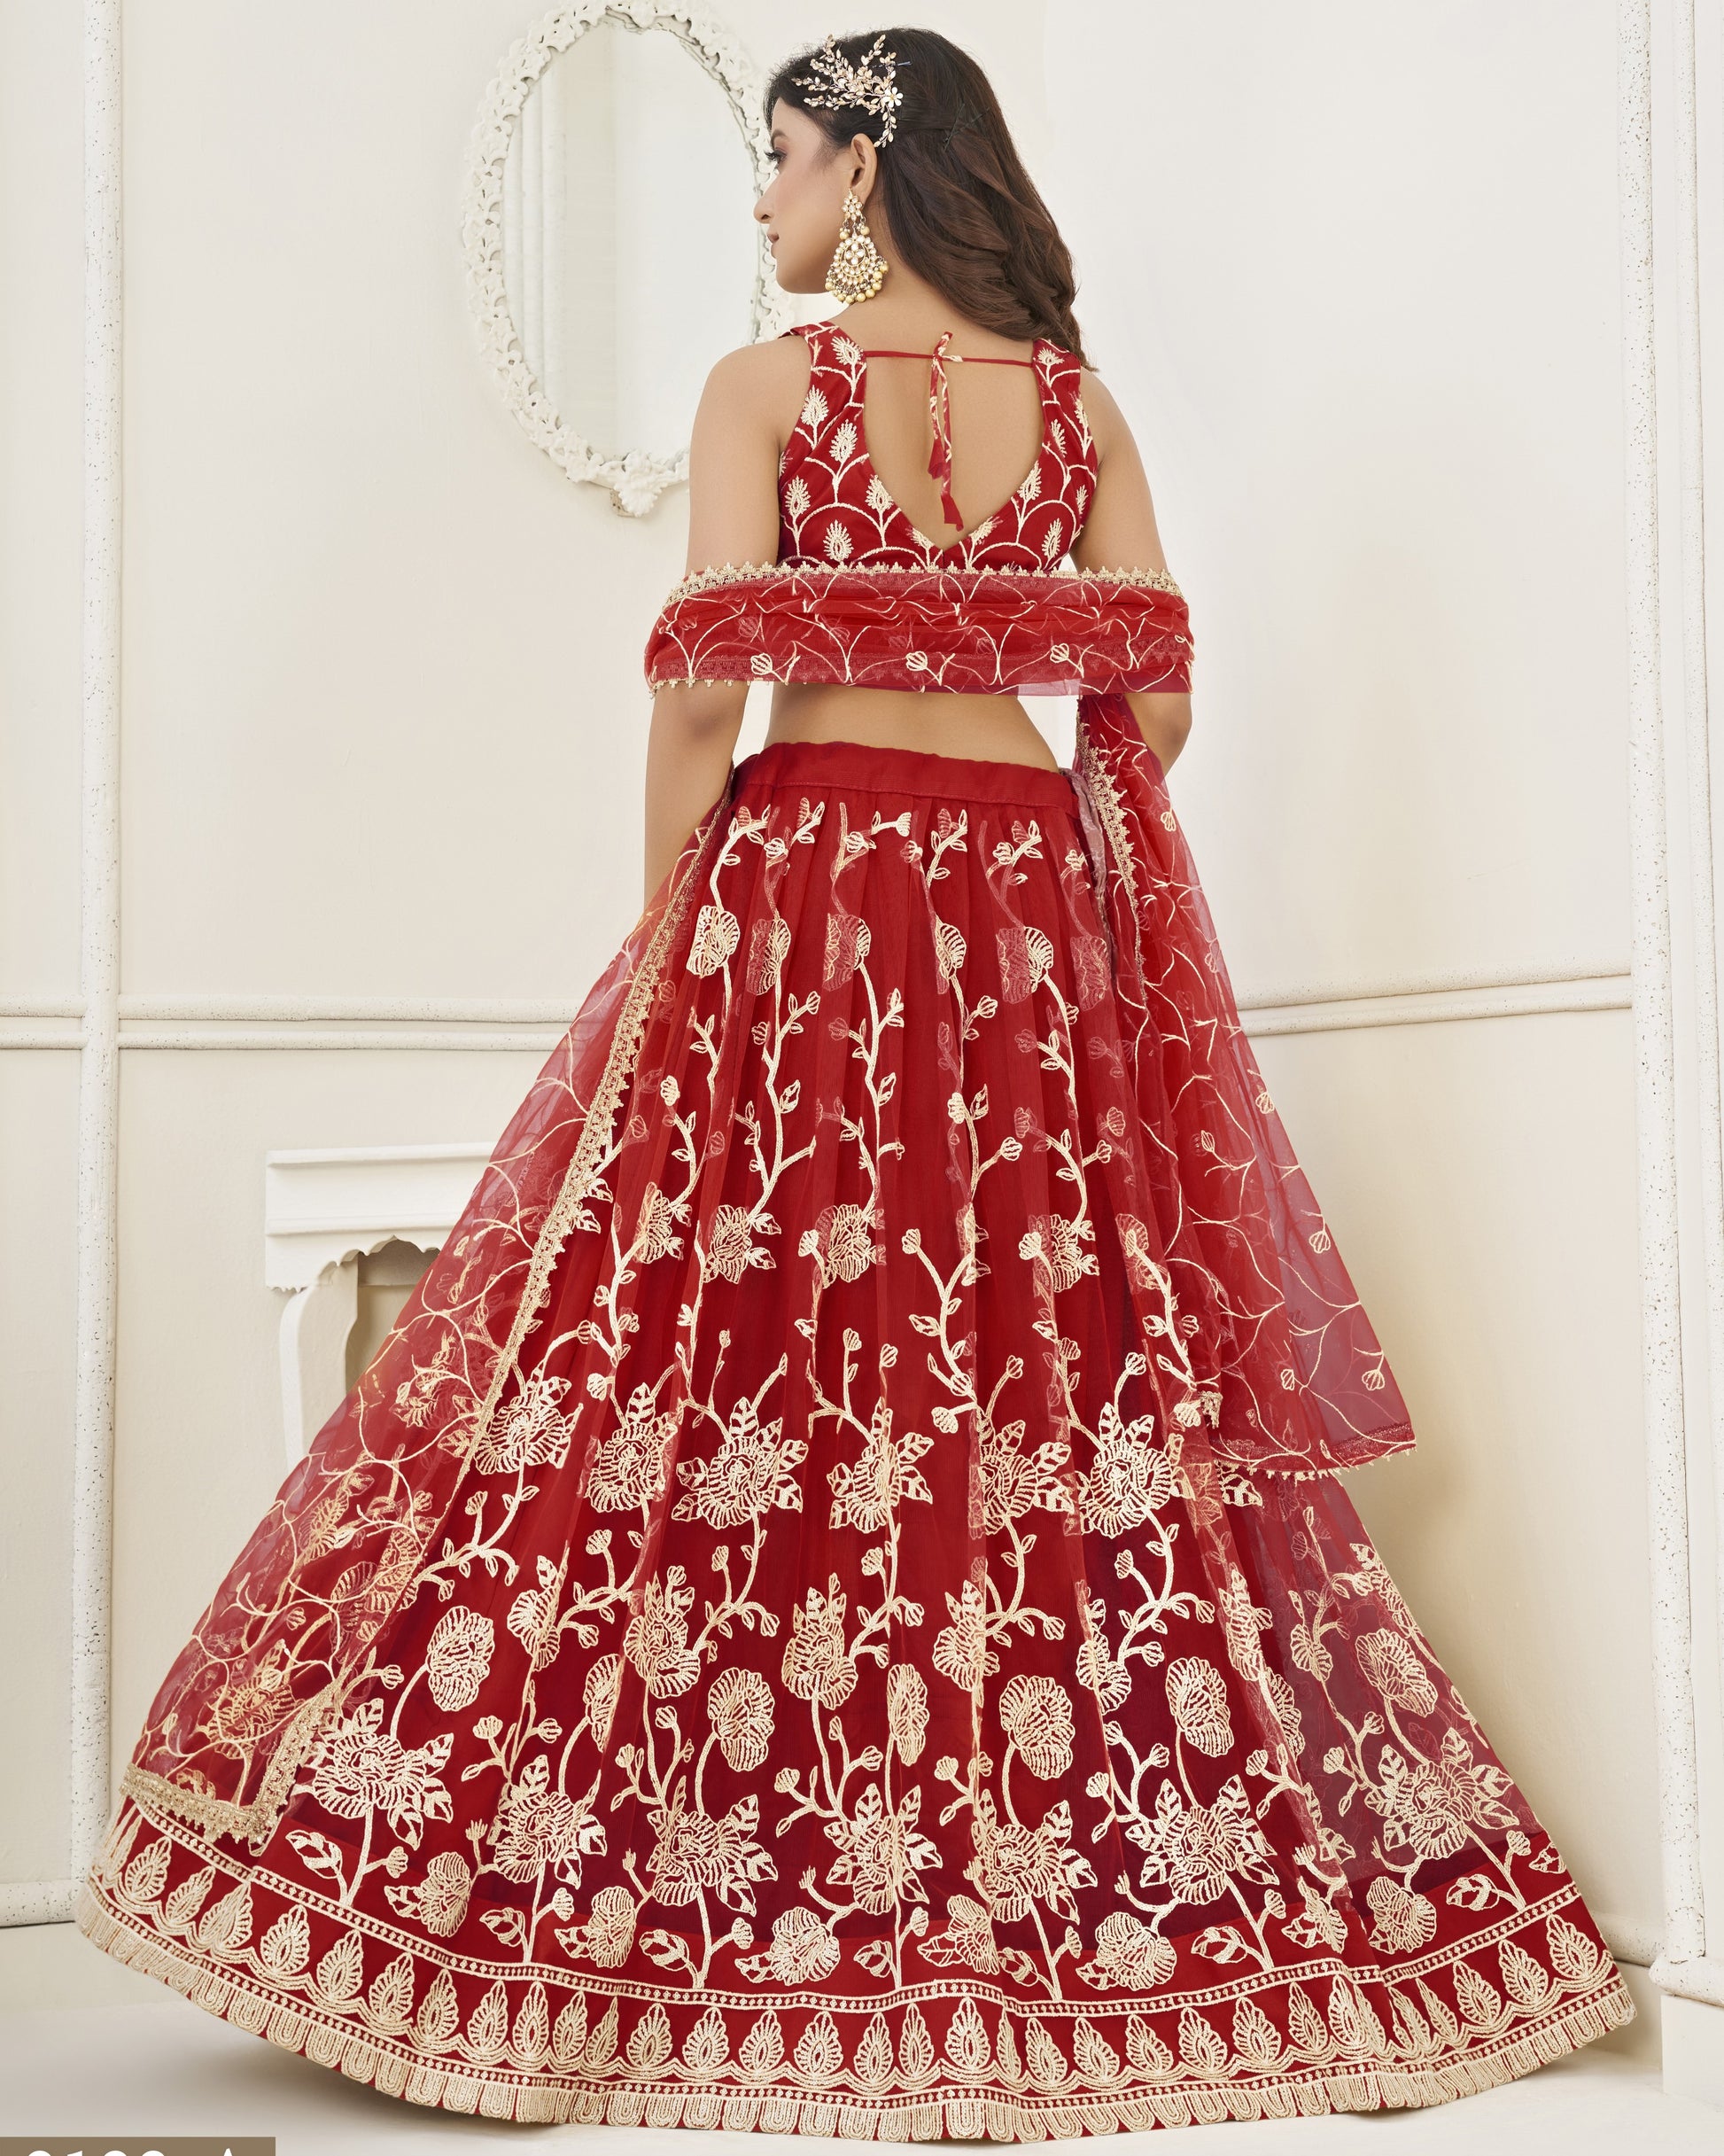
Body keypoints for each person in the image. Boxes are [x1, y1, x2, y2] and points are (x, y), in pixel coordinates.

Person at [76, 27, 1630, 2137]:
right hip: (1010, 935)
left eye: (780, 163)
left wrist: (667, 947)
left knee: (736, 1359)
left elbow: (711, 694)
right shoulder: (1072, 405)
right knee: (1023, 1364)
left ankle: (619, 1894)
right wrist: (995, 777)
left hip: (798, 913)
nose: (763, 203)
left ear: (868, 177)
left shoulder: (764, 395)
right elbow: (1152, 705)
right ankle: (1049, 1871)